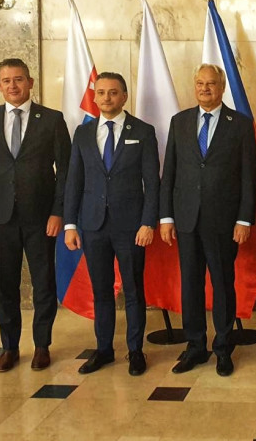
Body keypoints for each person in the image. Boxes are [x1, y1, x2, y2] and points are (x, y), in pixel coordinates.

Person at [0, 58, 71, 372]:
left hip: (41, 219)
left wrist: (58, 212)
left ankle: (42, 346)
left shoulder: (51, 120)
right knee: (5, 285)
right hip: (0, 218)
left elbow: (65, 171)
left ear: (31, 82)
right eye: (7, 80)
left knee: (44, 284)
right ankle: (9, 346)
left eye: (19, 79)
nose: (13, 85)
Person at [159, 63, 256, 377]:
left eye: (211, 83)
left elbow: (248, 178)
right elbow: (169, 173)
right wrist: (166, 217)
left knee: (223, 284)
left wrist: (244, 220)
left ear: (222, 86)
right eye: (200, 83)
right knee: (190, 284)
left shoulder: (240, 124)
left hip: (223, 221)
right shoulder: (180, 121)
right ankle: (196, 346)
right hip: (186, 219)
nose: (205, 88)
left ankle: (224, 347)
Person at [64, 72, 159, 376]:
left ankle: (135, 351)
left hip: (131, 226)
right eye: (101, 92)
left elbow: (152, 183)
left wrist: (148, 222)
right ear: (95, 97)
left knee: (133, 289)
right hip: (93, 225)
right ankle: (104, 349)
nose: (106, 98)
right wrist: (69, 224)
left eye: (113, 92)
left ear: (124, 96)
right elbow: (73, 181)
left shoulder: (143, 131)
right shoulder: (82, 133)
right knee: (101, 290)